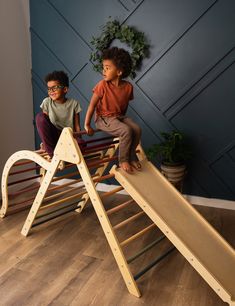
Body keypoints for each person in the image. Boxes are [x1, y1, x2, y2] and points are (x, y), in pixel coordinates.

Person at [84, 47, 141, 173]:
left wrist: (122, 119)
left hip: (118, 117)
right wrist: (87, 124)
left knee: (136, 129)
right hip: (104, 118)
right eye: (103, 67)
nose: (103, 71)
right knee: (126, 130)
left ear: (119, 72)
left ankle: (131, 156)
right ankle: (123, 160)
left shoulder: (128, 87)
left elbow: (124, 105)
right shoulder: (102, 85)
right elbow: (92, 105)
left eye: (107, 68)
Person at [36, 70, 84, 159]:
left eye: (55, 88)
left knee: (81, 145)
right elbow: (44, 125)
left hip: (68, 138)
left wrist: (78, 140)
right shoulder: (47, 102)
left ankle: (64, 150)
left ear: (65, 89)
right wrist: (45, 141)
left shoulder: (74, 104)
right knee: (40, 117)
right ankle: (52, 155)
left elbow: (77, 126)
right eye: (49, 88)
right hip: (54, 136)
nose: (51, 91)